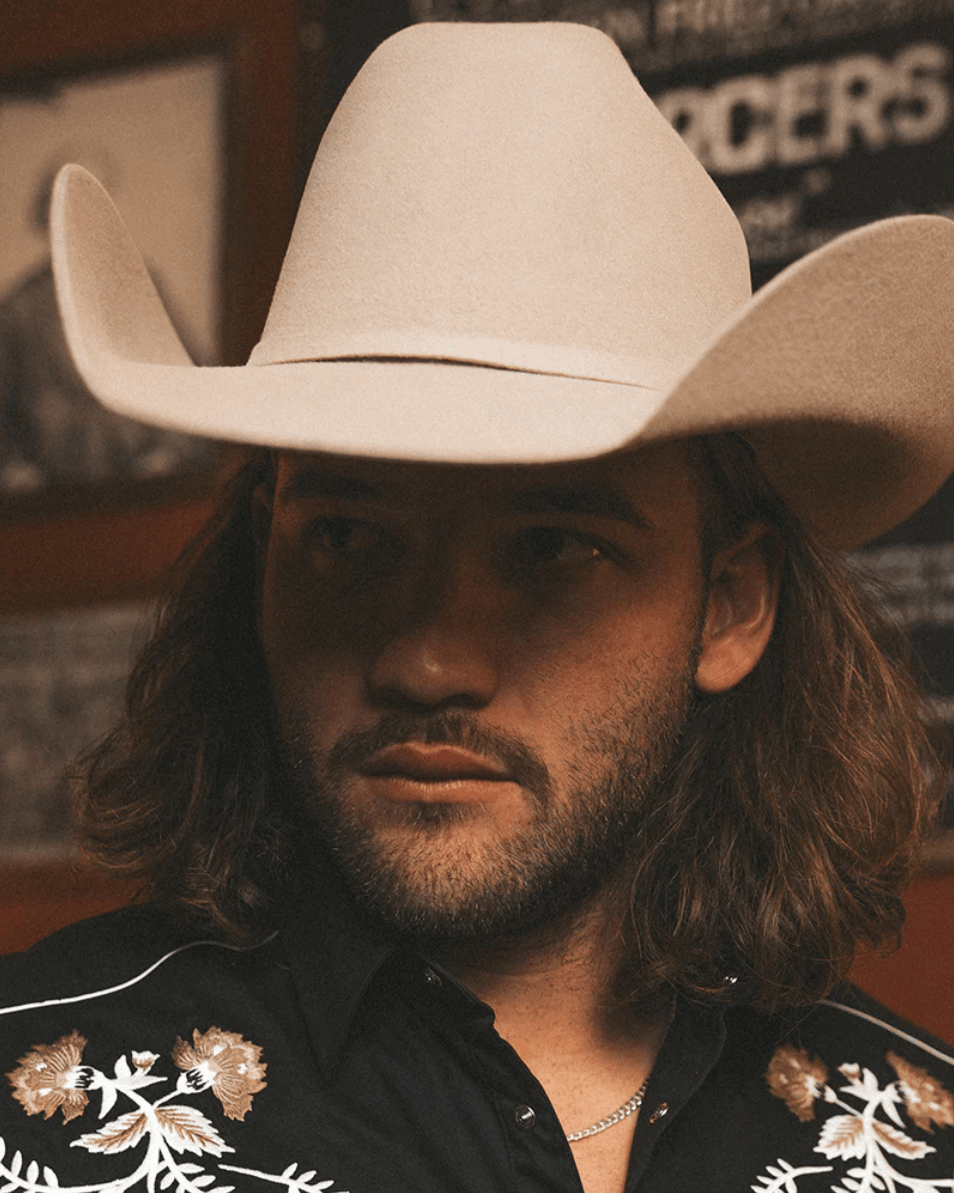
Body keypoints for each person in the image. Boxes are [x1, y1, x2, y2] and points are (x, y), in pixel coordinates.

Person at [3, 20, 954, 1193]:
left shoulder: (920, 1145)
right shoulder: (28, 1109)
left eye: (556, 548)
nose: (428, 658)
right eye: (351, 539)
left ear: (729, 606)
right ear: (263, 567)